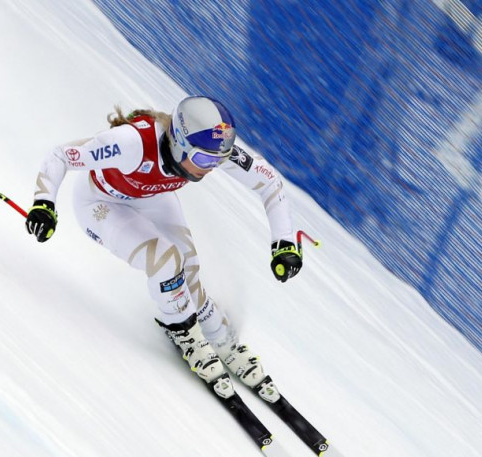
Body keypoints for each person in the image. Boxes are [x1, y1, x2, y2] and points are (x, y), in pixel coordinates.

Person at [24, 96, 303, 400]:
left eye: (216, 162)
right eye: (203, 161)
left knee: (189, 266)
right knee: (165, 261)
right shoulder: (131, 143)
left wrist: (284, 242)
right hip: (101, 204)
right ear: (180, 143)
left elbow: (269, 182)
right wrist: (44, 203)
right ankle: (182, 330)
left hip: (152, 196)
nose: (209, 169)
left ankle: (223, 341)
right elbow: (61, 155)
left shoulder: (208, 147)